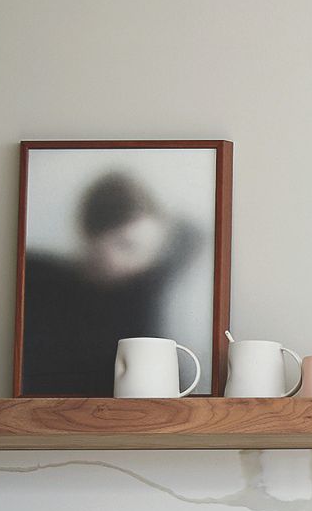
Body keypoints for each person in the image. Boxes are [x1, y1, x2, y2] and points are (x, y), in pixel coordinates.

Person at [20, 169, 204, 395]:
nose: (139, 263)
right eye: (127, 245)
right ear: (92, 236)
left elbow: (191, 234)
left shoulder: (142, 287)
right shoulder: (40, 283)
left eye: (149, 252)